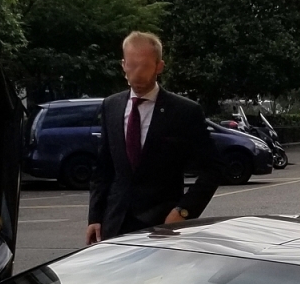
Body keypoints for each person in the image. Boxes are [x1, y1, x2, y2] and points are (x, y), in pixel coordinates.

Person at [86, 32, 221, 245]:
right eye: (131, 65)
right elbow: (103, 168)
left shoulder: (184, 112)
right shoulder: (111, 106)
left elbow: (212, 169)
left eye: (144, 66)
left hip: (163, 226)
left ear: (159, 66)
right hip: (114, 225)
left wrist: (184, 211)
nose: (137, 73)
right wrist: (94, 217)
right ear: (123, 65)